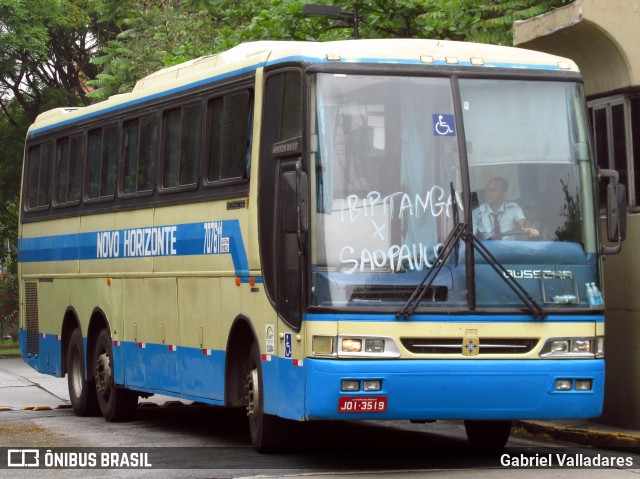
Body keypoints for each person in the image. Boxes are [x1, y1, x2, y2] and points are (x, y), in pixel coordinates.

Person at [472, 176, 540, 240]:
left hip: (509, 250)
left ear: (503, 194)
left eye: (493, 190)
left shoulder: (513, 208)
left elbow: (522, 221)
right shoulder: (477, 213)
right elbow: (471, 237)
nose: (488, 192)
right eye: (487, 188)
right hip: (485, 251)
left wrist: (529, 228)